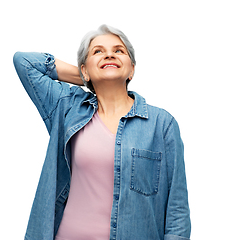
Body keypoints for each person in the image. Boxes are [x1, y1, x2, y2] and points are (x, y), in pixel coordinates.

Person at [13, 24, 191, 240]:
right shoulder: (68, 109)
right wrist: (89, 78)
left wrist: (99, 70)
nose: (109, 54)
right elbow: (25, 63)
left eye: (119, 51)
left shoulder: (162, 125)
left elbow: (177, 212)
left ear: (132, 69)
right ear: (84, 69)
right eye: (98, 51)